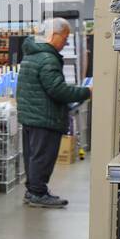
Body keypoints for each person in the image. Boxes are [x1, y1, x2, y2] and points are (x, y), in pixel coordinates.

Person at [16, 18, 91, 208]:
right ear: (54, 35)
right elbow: (58, 90)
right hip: (45, 117)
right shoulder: (47, 58)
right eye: (64, 38)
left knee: (33, 156)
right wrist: (87, 91)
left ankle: (33, 191)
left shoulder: (32, 53)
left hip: (32, 116)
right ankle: (37, 194)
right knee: (42, 158)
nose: (65, 43)